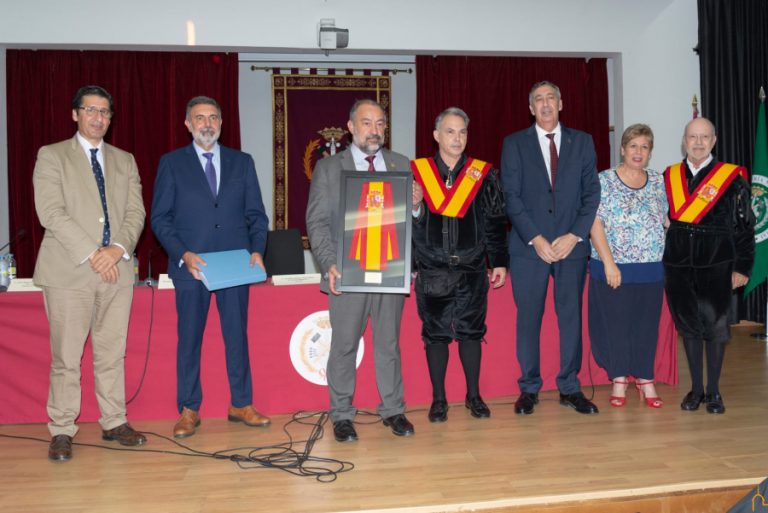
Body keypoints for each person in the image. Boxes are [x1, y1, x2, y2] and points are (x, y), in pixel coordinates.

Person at [33, 85, 147, 461]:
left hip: (117, 269)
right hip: (70, 271)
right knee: (66, 357)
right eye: (91, 110)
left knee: (111, 353)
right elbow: (51, 213)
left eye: (105, 112)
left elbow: (135, 213)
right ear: (75, 114)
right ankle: (62, 428)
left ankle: (114, 421)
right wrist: (93, 253)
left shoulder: (125, 159)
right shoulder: (51, 157)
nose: (99, 118)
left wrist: (116, 250)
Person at [151, 96, 270, 437]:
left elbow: (256, 215)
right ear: (188, 124)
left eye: (213, 117)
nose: (207, 123)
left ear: (221, 123)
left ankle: (241, 404)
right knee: (189, 339)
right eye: (200, 118)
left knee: (237, 337)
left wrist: (257, 250)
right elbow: (161, 218)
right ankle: (189, 409)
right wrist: (183, 254)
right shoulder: (172, 164)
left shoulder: (242, 162)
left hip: (234, 266)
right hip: (192, 267)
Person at [306, 99, 415, 442]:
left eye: (380, 123)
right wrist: (329, 264)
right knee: (344, 345)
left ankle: (394, 410)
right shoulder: (328, 168)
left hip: (389, 271)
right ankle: (341, 415)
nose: (375, 130)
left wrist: (416, 206)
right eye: (367, 123)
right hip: (347, 273)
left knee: (389, 344)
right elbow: (318, 221)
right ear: (351, 127)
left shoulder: (401, 164)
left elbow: (414, 223)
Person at [501, 80, 601, 415]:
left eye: (550, 99)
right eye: (538, 100)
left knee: (570, 318)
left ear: (561, 103)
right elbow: (511, 197)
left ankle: (570, 387)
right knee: (529, 319)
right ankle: (529, 388)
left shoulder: (582, 142)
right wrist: (536, 238)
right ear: (531, 108)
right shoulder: (514, 144)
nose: (545, 105)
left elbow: (592, 195)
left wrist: (574, 235)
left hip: (571, 247)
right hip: (530, 248)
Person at [410, 107, 508, 422]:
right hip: (432, 267)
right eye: (450, 131)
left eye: (463, 132)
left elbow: (494, 222)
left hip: (473, 268)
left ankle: (473, 396)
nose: (457, 138)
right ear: (437, 135)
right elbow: (406, 225)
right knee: (436, 334)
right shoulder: (417, 173)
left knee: (471, 332)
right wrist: (414, 207)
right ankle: (439, 400)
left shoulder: (483, 173)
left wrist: (500, 262)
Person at [663, 117, 755, 415]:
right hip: (678, 265)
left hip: (718, 263)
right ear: (684, 141)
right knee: (689, 327)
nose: (698, 142)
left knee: (715, 328)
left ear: (714, 141)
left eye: (705, 137)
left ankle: (714, 391)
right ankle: (696, 390)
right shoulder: (670, 176)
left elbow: (745, 227)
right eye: (693, 137)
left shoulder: (731, 178)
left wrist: (742, 267)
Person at [588, 124, 667, 408]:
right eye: (633, 146)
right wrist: (609, 263)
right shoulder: (603, 180)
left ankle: (646, 379)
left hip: (650, 269)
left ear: (650, 153)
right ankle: (619, 379)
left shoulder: (659, 181)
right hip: (612, 267)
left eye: (644, 147)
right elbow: (594, 222)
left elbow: (667, 221)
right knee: (616, 326)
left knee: (646, 326)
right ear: (622, 149)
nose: (638, 152)